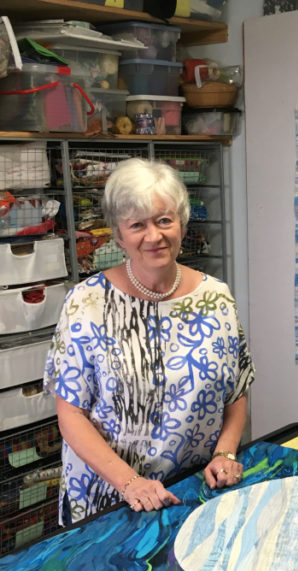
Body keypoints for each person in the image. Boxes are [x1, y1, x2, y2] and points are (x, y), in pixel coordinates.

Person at [44, 157, 255, 525]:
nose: (154, 236)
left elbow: (236, 390)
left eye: (164, 220)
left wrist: (225, 454)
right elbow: (71, 414)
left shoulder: (216, 297)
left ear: (182, 224)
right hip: (109, 501)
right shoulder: (86, 303)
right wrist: (130, 483)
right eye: (137, 225)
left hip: (191, 490)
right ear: (118, 235)